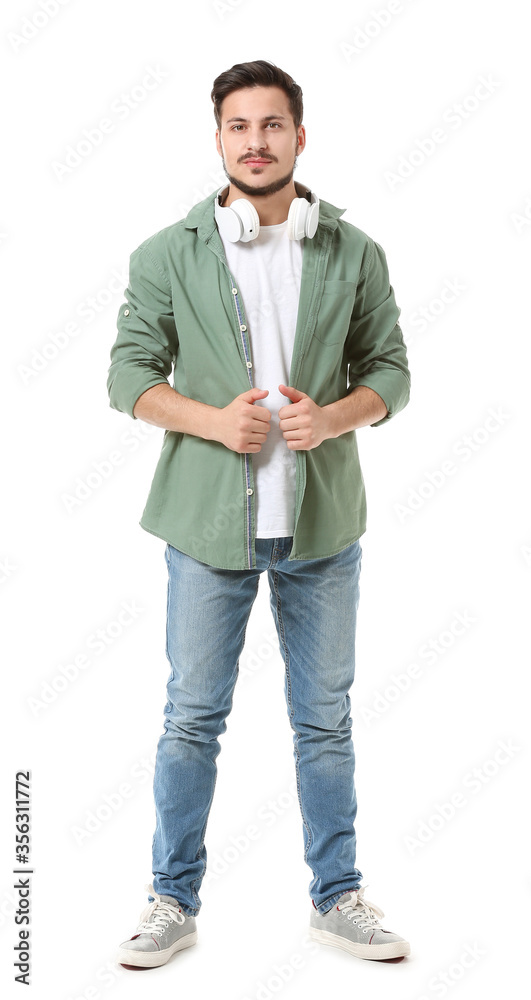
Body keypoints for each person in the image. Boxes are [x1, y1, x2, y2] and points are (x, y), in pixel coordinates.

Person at [108, 59, 411, 969]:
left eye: (271, 125)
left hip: (320, 527)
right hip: (206, 530)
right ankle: (171, 900)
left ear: (298, 136)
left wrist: (335, 415)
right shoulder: (167, 252)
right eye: (237, 126)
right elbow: (127, 375)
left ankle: (337, 897)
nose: (255, 141)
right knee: (190, 718)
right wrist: (211, 420)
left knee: (325, 720)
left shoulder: (354, 253)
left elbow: (391, 371)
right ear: (218, 140)